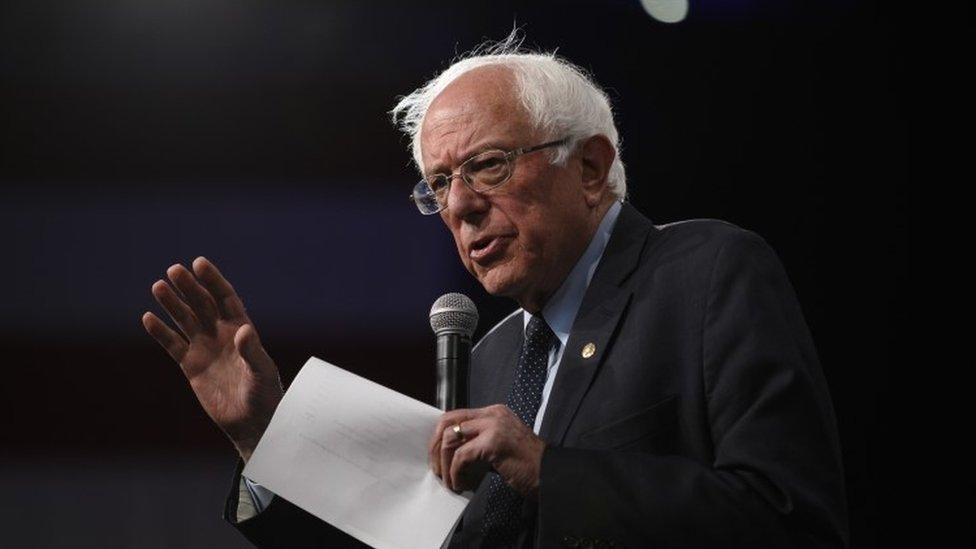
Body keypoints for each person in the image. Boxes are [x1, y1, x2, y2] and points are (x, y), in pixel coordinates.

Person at [143, 37, 848, 548]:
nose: (461, 206)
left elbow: (789, 520)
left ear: (593, 167)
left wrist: (549, 470)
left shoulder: (706, 273)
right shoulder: (492, 354)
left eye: (487, 165)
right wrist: (267, 437)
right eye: (441, 184)